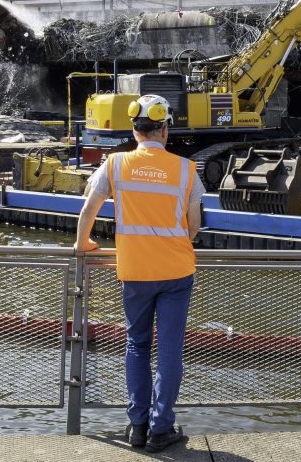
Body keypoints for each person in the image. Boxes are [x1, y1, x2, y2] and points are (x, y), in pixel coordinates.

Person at [74, 93, 204, 453]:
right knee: (170, 351)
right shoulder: (186, 169)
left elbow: (89, 209)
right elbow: (193, 227)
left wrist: (82, 245)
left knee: (137, 345)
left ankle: (137, 426)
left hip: (134, 271)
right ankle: (162, 430)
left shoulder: (114, 165)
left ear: (134, 131)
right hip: (177, 271)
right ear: (164, 130)